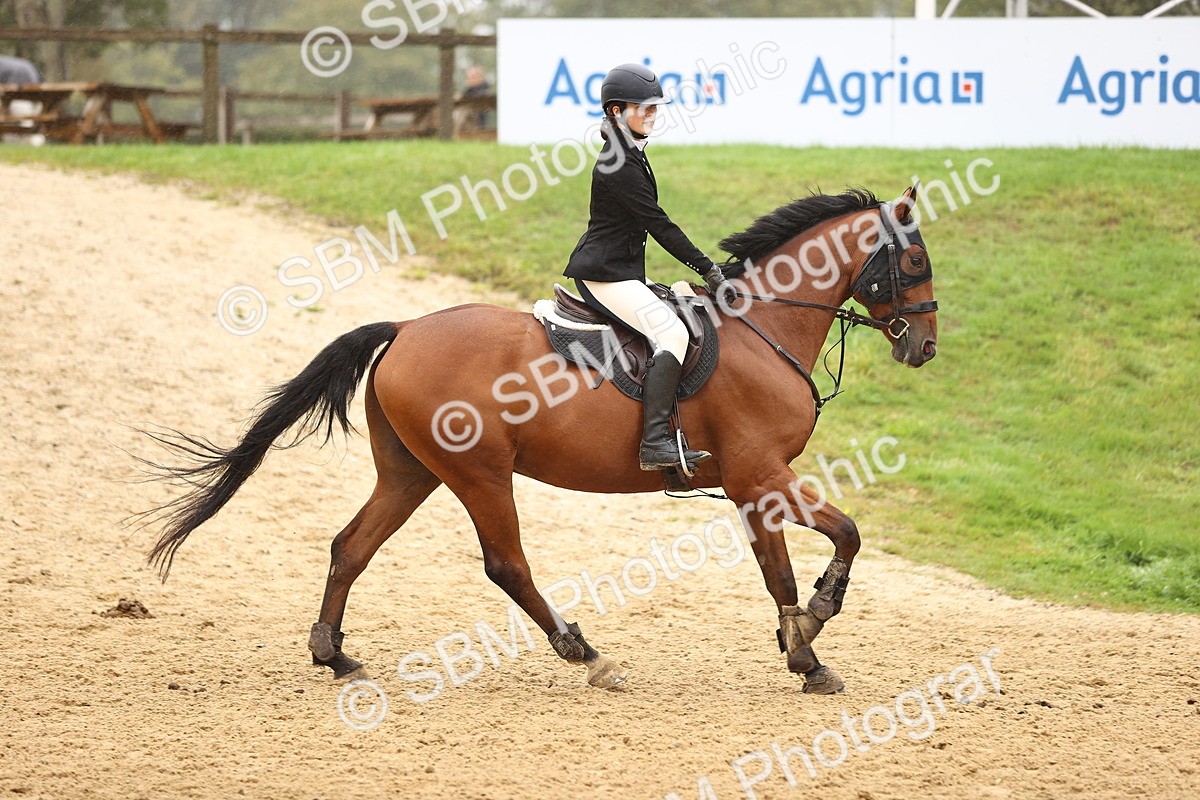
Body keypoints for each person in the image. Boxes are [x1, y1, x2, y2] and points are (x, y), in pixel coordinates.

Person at [563, 63, 733, 472]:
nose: (653, 114)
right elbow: (658, 223)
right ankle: (655, 441)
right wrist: (708, 268)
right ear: (616, 111)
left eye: (656, 107)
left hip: (621, 272)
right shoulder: (618, 162)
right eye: (645, 108)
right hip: (604, 275)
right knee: (671, 332)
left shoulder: (632, 152)